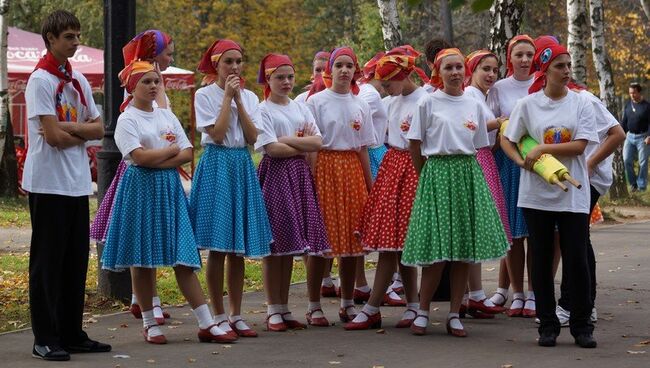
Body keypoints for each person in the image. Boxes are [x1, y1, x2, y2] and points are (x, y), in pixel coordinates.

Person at [102, 60, 236, 345]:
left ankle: (206, 322)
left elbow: (188, 152)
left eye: (155, 82)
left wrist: (161, 156)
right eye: (145, 82)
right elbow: (137, 157)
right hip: (140, 190)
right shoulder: (128, 119)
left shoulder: (165, 116)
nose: (153, 86)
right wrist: (169, 151)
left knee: (183, 255)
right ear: (131, 87)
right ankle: (150, 323)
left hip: (169, 190)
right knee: (143, 257)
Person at [403, 48, 509, 338]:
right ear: (439, 72)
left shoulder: (472, 104)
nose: (455, 73)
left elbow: (478, 144)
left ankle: (453, 313)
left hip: (466, 174)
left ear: (465, 70)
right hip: (437, 173)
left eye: (459, 67)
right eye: (448, 67)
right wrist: (425, 173)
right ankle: (423, 311)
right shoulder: (428, 102)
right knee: (438, 251)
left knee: (463, 250)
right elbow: (415, 142)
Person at [24, 10, 111, 361]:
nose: (76, 42)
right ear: (51, 39)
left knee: (75, 260)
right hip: (48, 183)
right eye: (69, 37)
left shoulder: (76, 80)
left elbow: (98, 128)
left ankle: (71, 331)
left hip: (75, 183)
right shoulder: (40, 81)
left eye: (78, 36)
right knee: (48, 262)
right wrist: (76, 131)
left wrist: (69, 129)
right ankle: (44, 336)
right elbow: (54, 139)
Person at [502, 43, 598, 348]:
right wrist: (520, 162)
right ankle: (547, 325)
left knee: (577, 261)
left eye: (568, 65)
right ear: (544, 71)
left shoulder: (581, 102)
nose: (567, 71)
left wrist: (542, 148)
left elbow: (580, 146)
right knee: (540, 261)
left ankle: (582, 326)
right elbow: (508, 139)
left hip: (572, 195)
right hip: (536, 196)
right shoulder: (528, 105)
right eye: (560, 66)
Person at [90, 29, 175, 325]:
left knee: (147, 235)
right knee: (144, 235)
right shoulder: (143, 84)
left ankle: (145, 300)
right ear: (154, 55)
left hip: (156, 160)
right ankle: (147, 301)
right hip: (142, 168)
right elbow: (160, 124)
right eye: (168, 53)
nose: (170, 58)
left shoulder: (150, 82)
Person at [189, 39, 273, 338]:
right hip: (216, 164)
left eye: (239, 61)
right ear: (216, 64)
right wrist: (226, 97)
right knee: (219, 246)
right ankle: (218, 313)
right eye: (228, 61)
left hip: (241, 164)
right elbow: (220, 132)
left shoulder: (250, 97)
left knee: (237, 249)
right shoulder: (204, 94)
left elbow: (252, 137)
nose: (235, 67)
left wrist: (239, 101)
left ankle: (237, 314)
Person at [344, 46, 426, 331]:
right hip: (394, 168)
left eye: (388, 83)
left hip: (416, 170)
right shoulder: (391, 102)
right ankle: (412, 304)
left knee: (400, 243)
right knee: (394, 240)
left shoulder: (425, 99)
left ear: (402, 76)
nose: (385, 89)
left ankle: (373, 307)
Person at [255, 53, 330, 331]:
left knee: (290, 244)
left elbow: (318, 141)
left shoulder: (300, 107)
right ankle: (272, 308)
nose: (286, 82)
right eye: (279, 77)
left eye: (290, 77)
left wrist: (287, 140)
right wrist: (299, 143)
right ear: (268, 79)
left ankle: (284, 308)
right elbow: (270, 148)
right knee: (275, 246)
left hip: (298, 175)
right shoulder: (263, 110)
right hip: (275, 175)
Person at [306, 46, 375, 325]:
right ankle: (313, 306)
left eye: (349, 66)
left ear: (355, 71)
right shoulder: (316, 102)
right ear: (329, 70)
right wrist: (310, 180)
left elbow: (363, 149)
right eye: (339, 66)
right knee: (323, 243)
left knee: (351, 242)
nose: (344, 70)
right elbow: (311, 145)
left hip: (352, 172)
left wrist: (370, 187)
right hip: (325, 169)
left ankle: (347, 302)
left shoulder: (361, 104)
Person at [487, 35, 537, 318]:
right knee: (514, 233)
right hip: (508, 162)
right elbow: (492, 127)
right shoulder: (499, 87)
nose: (524, 60)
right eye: (519, 54)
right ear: (510, 57)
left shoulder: (542, 83)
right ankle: (516, 292)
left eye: (529, 54)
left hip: (539, 162)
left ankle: (534, 293)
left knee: (537, 232)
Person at [461, 49, 512, 318]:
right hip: (477, 159)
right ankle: (475, 295)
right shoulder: (469, 94)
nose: (491, 75)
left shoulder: (484, 96)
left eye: (494, 70)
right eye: (485, 69)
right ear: (472, 71)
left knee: (477, 228)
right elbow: (472, 127)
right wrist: (500, 122)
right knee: (475, 227)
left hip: (485, 158)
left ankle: (473, 294)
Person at [622, 82, 650, 192]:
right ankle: (633, 184)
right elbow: (624, 122)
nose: (632, 95)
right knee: (626, 160)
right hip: (629, 137)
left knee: (642, 162)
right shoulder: (628, 105)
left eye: (634, 93)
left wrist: (649, 136)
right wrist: (619, 136)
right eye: (630, 93)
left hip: (643, 137)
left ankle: (641, 186)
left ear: (639, 92)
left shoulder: (647, 106)